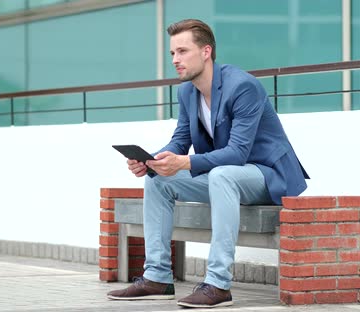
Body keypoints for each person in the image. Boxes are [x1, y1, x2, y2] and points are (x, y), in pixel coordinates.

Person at [107, 19, 309, 308]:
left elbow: (238, 153)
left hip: (267, 175)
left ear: (205, 51)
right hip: (224, 176)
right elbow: (179, 142)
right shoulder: (187, 91)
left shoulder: (243, 86)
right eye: (172, 54)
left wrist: (184, 162)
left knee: (223, 175)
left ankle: (218, 284)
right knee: (159, 180)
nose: (175, 60)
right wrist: (152, 162)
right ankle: (157, 277)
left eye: (182, 51)